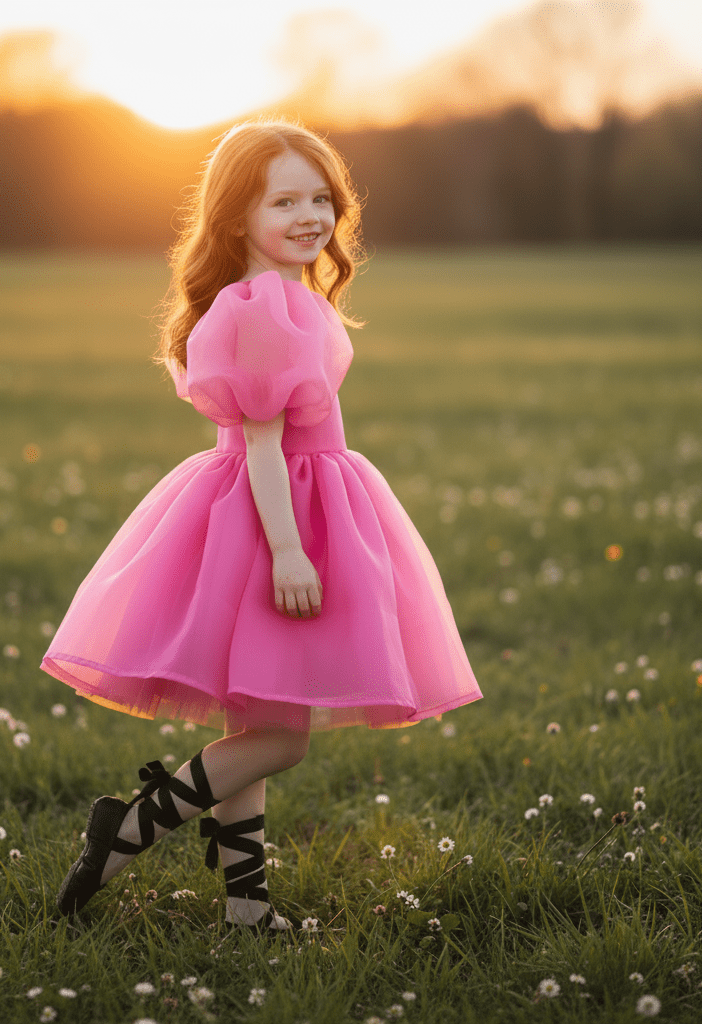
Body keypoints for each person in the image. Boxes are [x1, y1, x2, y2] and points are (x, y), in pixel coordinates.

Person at [41, 120, 482, 933]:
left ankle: (247, 907)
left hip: (264, 509)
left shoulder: (271, 297)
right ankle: (126, 831)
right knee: (282, 739)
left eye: (320, 198)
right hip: (278, 516)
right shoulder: (267, 308)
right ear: (238, 216)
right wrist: (288, 550)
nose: (310, 215)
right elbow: (265, 444)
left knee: (255, 723)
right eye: (284, 201)